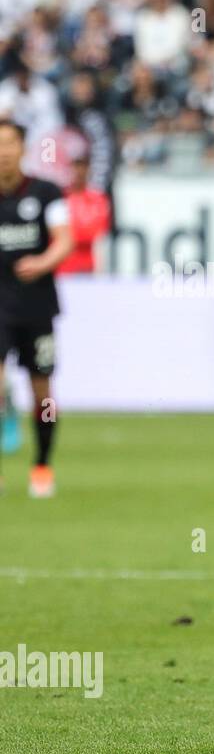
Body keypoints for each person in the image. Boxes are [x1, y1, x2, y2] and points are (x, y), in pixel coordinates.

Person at [0, 119, 72, 498]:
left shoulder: (46, 192)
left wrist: (42, 262)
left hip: (36, 305)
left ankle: (42, 464)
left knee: (42, 394)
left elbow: (65, 240)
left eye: (9, 144)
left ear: (22, 148)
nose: (3, 152)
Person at [57, 154, 112, 275]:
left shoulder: (98, 199)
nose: (79, 172)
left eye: (83, 168)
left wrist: (65, 234)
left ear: (89, 171)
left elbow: (95, 232)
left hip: (86, 267)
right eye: (75, 168)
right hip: (61, 267)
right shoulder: (59, 198)